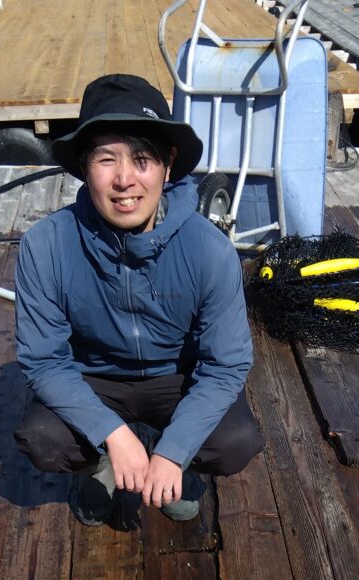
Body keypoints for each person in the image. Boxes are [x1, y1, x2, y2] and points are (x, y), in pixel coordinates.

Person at [14, 74, 262, 526]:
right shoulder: (44, 245)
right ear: (85, 166)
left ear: (168, 165)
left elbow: (225, 365)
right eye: (106, 159)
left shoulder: (209, 249)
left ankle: (175, 467)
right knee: (42, 437)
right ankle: (100, 467)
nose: (124, 180)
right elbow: (44, 361)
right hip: (94, 377)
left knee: (236, 440)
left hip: (177, 376)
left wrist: (174, 450)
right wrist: (111, 433)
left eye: (142, 159)